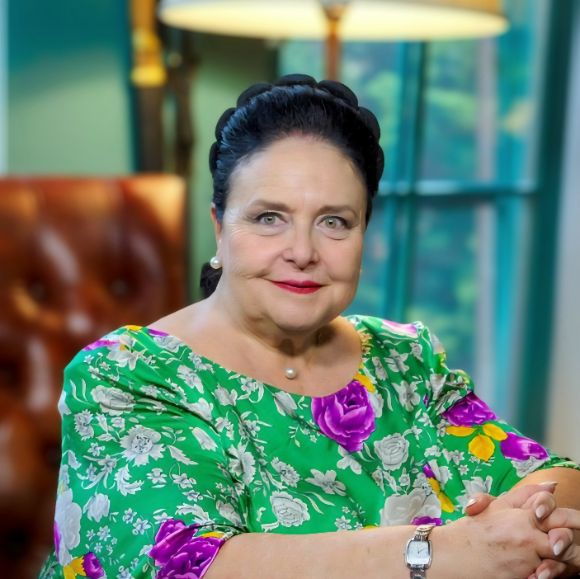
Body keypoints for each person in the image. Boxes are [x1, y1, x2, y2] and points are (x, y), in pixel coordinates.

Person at [40, 74, 580, 579]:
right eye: (268, 218)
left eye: (334, 222)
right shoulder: (127, 375)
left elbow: (556, 477)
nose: (302, 251)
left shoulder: (404, 359)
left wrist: (533, 530)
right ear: (219, 227)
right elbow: (190, 566)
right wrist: (444, 552)